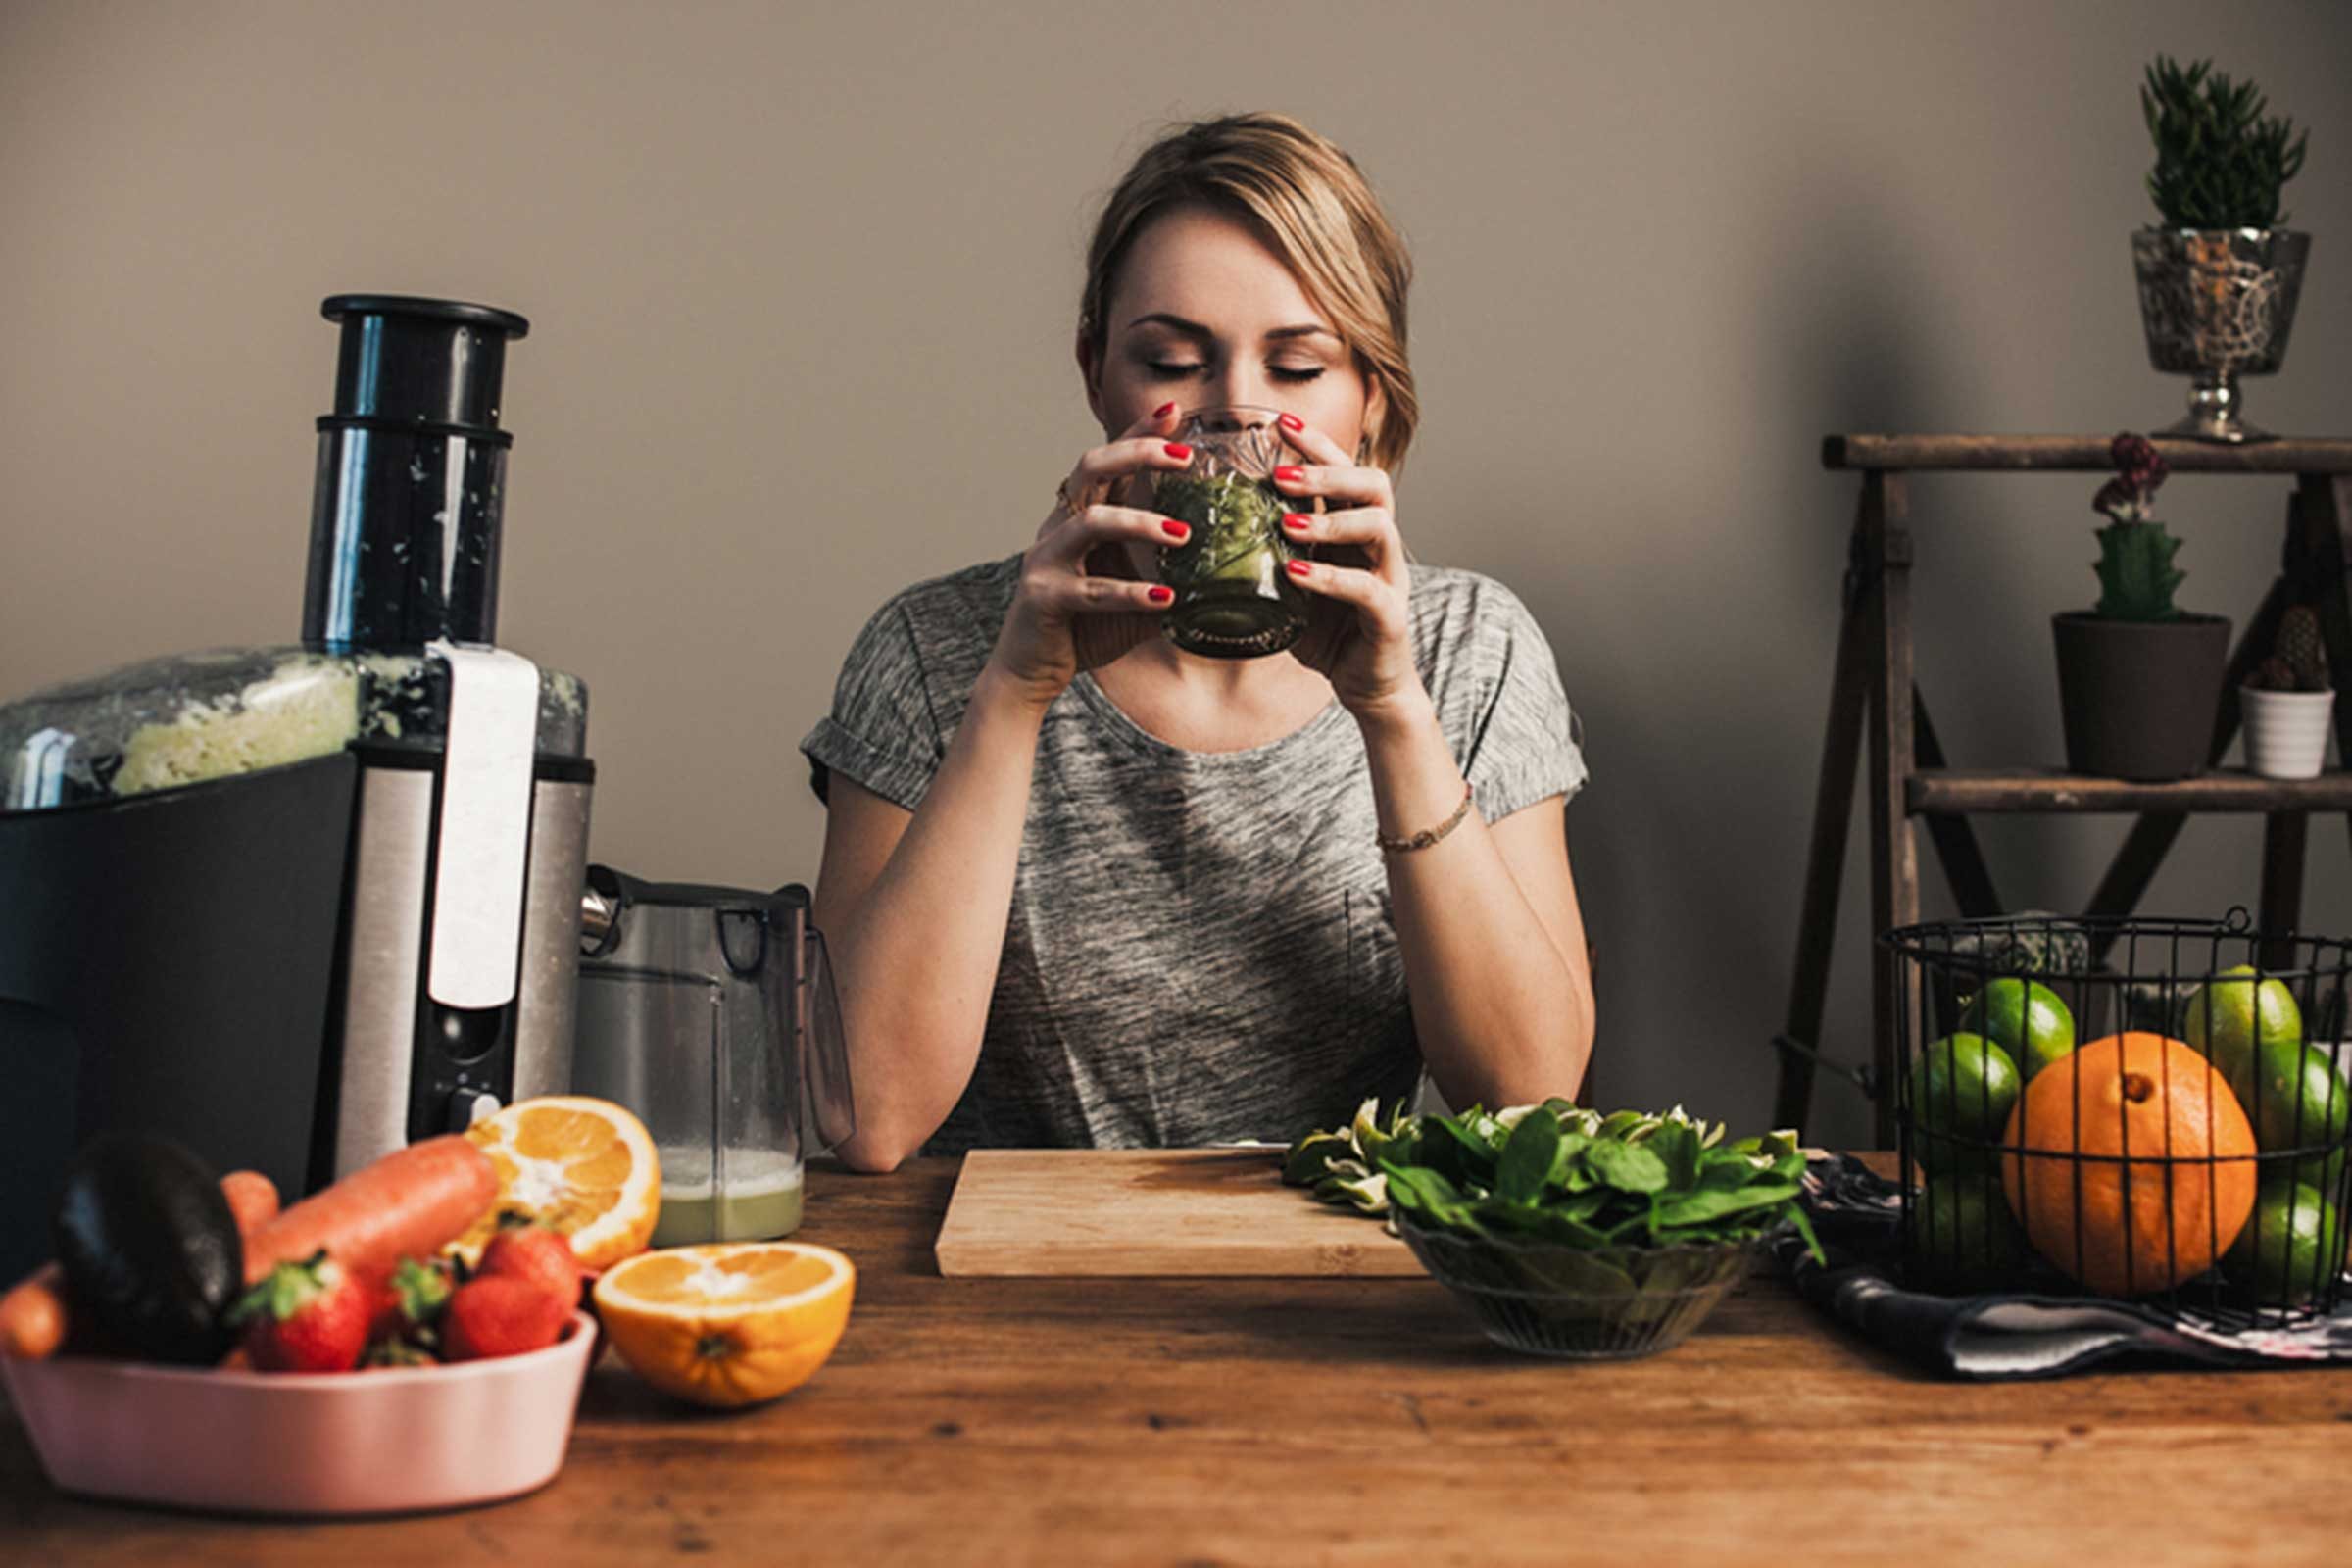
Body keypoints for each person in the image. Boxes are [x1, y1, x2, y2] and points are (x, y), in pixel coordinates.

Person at [801, 112, 1593, 1171]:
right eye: (1175, 359)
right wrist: (1014, 692)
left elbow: (1528, 1093)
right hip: (1003, 1294)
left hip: (1324, 1281)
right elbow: (865, 1116)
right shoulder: (930, 651)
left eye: (1300, 367)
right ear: (1099, 376)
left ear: (1370, 397)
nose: (1236, 415)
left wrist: (1396, 715)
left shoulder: (1466, 650)